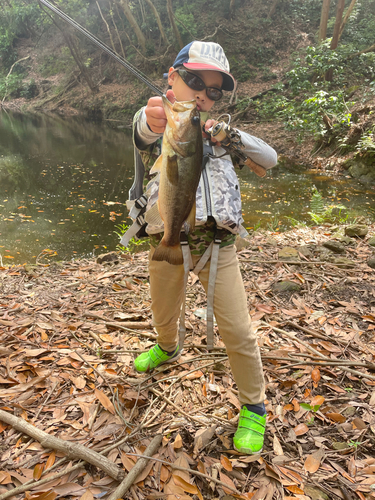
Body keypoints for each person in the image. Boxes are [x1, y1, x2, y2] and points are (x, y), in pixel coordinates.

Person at [129, 41, 277, 454]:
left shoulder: (221, 136)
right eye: (194, 81)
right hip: (168, 239)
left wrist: (232, 133)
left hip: (217, 249)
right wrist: (153, 118)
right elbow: (143, 128)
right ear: (170, 77)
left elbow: (271, 158)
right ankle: (167, 346)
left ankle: (254, 407)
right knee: (163, 311)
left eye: (214, 91)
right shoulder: (163, 124)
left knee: (238, 330)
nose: (202, 94)